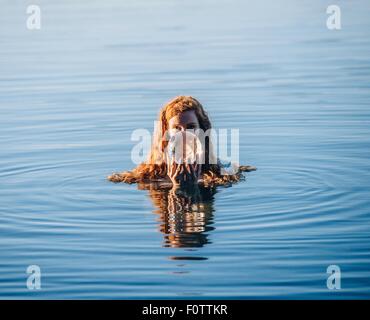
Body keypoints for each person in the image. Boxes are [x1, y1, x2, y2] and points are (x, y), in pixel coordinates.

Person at [108, 96, 255, 187]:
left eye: (191, 127)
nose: (184, 135)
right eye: (177, 128)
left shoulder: (224, 173)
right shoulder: (147, 175)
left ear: (203, 131)